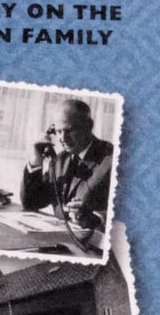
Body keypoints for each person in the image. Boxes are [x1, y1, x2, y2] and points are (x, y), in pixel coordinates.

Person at [20, 99, 114, 236]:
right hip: (60, 240)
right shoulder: (60, 160)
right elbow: (32, 203)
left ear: (88, 125)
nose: (63, 138)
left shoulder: (112, 159)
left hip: (94, 243)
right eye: (58, 131)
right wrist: (36, 162)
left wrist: (97, 217)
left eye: (69, 130)